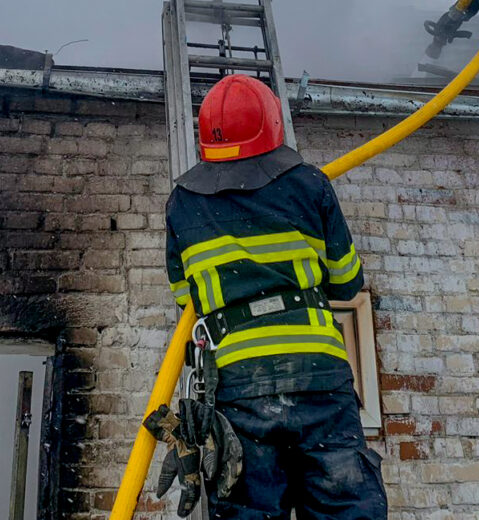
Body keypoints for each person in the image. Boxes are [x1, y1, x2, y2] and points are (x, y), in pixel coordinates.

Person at [149, 74, 387, 520]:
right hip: (317, 377)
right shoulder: (310, 185)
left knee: (250, 510)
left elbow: (185, 296)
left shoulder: (182, 203)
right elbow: (346, 281)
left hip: (241, 385)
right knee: (344, 509)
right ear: (274, 124)